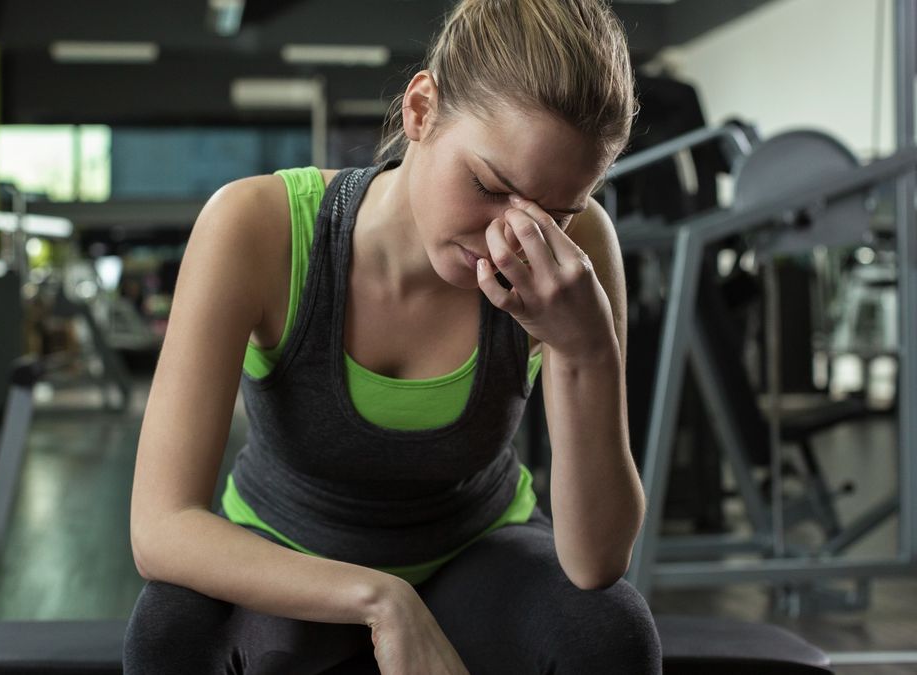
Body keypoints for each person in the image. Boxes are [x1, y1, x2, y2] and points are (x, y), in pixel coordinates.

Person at [125, 0, 660, 672]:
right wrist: (382, 598)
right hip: (285, 548)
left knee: (607, 632)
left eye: (554, 212)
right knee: (171, 632)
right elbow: (160, 525)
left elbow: (596, 560)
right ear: (421, 110)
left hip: (478, 553)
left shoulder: (575, 254)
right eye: (490, 186)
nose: (510, 238)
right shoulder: (255, 226)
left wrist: (586, 350)